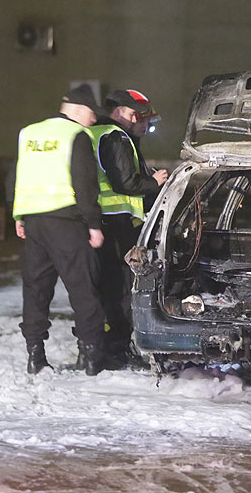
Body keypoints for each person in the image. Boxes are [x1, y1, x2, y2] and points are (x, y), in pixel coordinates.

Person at [11, 85, 115, 376]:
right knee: (84, 287)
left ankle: (35, 356)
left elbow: (16, 174)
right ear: (81, 110)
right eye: (93, 114)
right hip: (67, 222)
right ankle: (90, 357)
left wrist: (18, 214)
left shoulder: (28, 133)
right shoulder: (75, 135)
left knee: (35, 289)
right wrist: (93, 224)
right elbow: (84, 183)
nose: (94, 120)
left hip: (33, 222)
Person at [87, 89, 168, 363]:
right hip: (114, 223)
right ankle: (118, 346)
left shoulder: (97, 133)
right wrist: (154, 183)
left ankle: (108, 341)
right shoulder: (116, 137)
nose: (145, 125)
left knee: (106, 285)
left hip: (101, 221)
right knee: (120, 285)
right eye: (143, 119)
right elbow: (125, 183)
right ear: (128, 114)